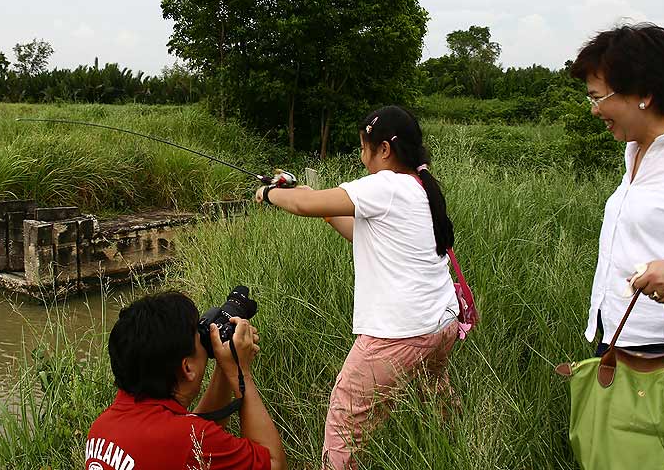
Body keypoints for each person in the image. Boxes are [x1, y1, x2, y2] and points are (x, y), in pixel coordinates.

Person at [255, 105, 460, 470]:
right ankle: (457, 450)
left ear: (384, 149)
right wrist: (311, 197)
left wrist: (271, 195)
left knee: (345, 415)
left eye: (364, 148)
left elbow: (303, 205)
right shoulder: (418, 185)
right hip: (440, 323)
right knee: (435, 397)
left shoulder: (386, 184)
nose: (362, 156)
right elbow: (358, 233)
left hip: (400, 331)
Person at [570, 23, 664, 372]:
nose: (594, 110)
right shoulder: (635, 149)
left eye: (599, 97)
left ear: (644, 93)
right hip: (620, 338)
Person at [85, 291, 286, 470]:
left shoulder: (101, 429)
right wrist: (240, 371)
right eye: (200, 337)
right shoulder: (185, 440)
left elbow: (186, 434)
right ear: (187, 368)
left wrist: (225, 367)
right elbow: (273, 463)